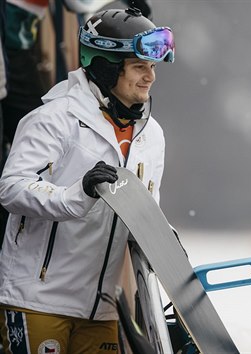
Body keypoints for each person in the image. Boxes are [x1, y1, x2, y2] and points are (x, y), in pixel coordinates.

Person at [0, 7, 174, 352]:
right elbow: (12, 187)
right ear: (106, 68)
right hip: (38, 301)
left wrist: (165, 244)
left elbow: (146, 211)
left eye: (152, 67)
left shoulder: (152, 135)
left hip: (103, 308)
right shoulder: (53, 119)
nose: (150, 77)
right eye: (140, 66)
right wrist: (76, 194)